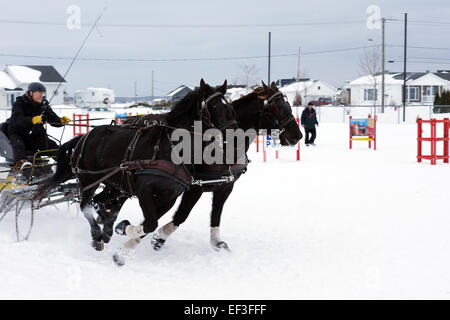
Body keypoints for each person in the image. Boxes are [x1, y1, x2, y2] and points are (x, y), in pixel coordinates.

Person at [7, 82, 71, 170]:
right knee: (19, 146)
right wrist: (31, 120)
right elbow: (17, 119)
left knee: (52, 146)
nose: (41, 95)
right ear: (31, 93)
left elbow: (52, 118)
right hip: (18, 133)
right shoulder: (19, 103)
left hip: (36, 134)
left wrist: (61, 121)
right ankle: (21, 163)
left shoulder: (44, 105)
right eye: (38, 93)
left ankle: (66, 164)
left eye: (42, 93)